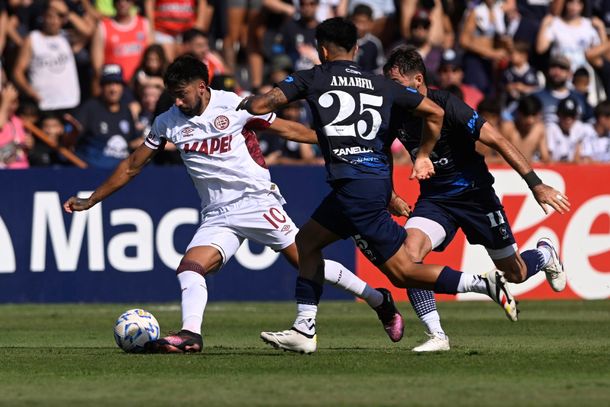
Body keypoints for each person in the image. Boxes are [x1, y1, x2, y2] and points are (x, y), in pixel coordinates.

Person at [63, 55, 404, 353]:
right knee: (189, 268)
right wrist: (93, 198)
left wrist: (342, 142)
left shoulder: (235, 105)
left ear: (201, 85)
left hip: (256, 202)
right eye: (173, 96)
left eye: (182, 95)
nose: (178, 103)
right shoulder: (167, 122)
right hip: (217, 214)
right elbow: (133, 165)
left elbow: (287, 130)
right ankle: (191, 334)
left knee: (308, 262)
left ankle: (380, 300)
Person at [238, 18, 520, 354]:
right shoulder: (379, 84)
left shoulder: (313, 77)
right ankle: (304, 327)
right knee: (307, 242)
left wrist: (243, 104)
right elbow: (434, 112)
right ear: (356, 49)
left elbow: (260, 105)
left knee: (403, 272)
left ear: (322, 50)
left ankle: (480, 282)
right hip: (364, 185)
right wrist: (422, 155)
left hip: (355, 186)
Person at [382, 46, 570, 352]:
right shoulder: (396, 112)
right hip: (436, 200)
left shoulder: (447, 105)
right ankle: (437, 335)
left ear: (418, 79)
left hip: (475, 196)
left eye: (395, 83)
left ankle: (545, 255)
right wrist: (389, 192)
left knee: (516, 273)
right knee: (408, 257)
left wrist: (536, 184)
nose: (389, 90)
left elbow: (497, 139)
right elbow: (382, 150)